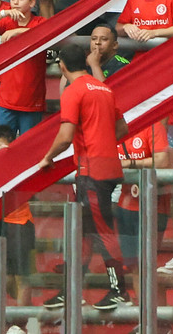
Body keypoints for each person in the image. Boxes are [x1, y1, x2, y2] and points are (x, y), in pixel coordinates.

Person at [42, 40, 129, 311]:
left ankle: (119, 290)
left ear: (62, 66)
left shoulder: (73, 90)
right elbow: (122, 128)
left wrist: (46, 157)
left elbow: (65, 137)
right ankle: (70, 289)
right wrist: (100, 141)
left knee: (101, 231)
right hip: (108, 166)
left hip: (91, 171)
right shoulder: (103, 88)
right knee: (83, 232)